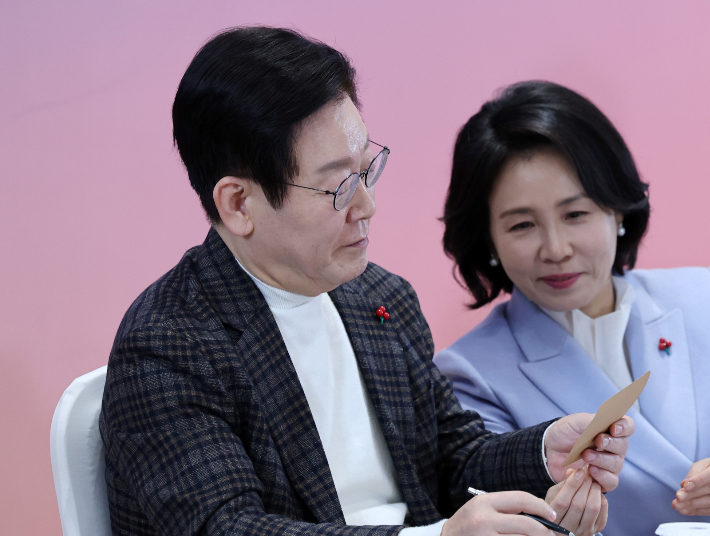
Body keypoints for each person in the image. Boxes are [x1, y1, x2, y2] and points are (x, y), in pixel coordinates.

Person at [100, 31, 630, 536]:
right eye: (339, 187)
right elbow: (228, 528)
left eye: (366, 170)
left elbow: (450, 459)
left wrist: (544, 452)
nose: (367, 205)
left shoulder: (379, 298)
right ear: (239, 204)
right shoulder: (169, 344)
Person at [434, 80, 710, 536]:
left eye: (576, 214)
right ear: (488, 240)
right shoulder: (468, 376)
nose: (556, 249)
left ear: (618, 211)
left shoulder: (702, 298)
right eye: (523, 225)